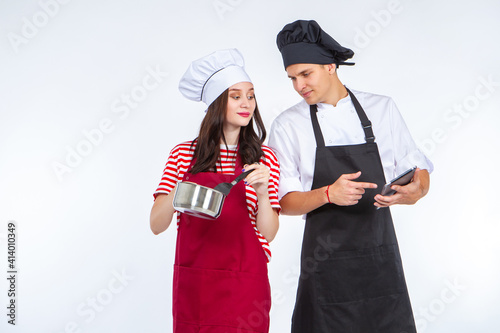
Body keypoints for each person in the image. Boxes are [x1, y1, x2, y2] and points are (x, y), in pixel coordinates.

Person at [268, 20, 433, 333]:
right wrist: (328, 194)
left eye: (306, 74)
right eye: (292, 78)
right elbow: (285, 203)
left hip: (379, 261)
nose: (299, 85)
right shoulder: (288, 125)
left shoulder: (381, 109)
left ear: (330, 66)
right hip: (325, 269)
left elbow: (419, 173)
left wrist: (415, 192)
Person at [150, 48, 280, 333]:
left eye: (250, 95)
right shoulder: (183, 155)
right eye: (236, 96)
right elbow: (156, 225)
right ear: (216, 103)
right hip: (196, 284)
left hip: (246, 283)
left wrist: (261, 191)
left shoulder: (264, 158)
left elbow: (269, 232)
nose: (247, 103)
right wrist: (182, 192)